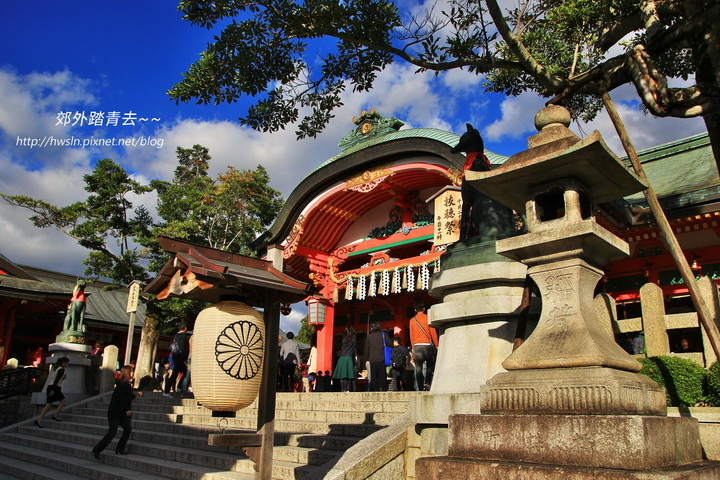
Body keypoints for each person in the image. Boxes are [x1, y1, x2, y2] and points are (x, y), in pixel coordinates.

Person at [92, 365, 142, 458]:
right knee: (112, 432)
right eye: (132, 371)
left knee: (127, 429)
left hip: (122, 412)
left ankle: (120, 448)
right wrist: (125, 411)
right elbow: (121, 400)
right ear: (128, 373)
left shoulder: (125, 384)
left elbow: (127, 398)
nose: (133, 373)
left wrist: (135, 395)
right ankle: (97, 449)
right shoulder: (122, 385)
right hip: (116, 412)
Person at [409, 301, 439, 391]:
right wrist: (437, 344)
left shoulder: (412, 320)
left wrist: (413, 347)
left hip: (417, 345)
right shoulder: (428, 318)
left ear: (415, 310)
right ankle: (427, 382)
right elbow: (432, 332)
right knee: (430, 364)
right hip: (427, 345)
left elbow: (411, 335)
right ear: (424, 309)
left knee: (418, 366)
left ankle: (420, 386)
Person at [35, 357, 69, 428]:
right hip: (55, 387)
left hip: (51, 386)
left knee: (49, 404)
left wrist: (62, 379)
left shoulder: (56, 368)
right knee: (62, 401)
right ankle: (54, 415)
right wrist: (53, 390)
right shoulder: (61, 369)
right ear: (64, 363)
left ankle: (40, 419)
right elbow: (56, 380)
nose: (68, 364)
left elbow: (56, 379)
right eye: (67, 363)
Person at [163, 321, 190, 398]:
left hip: (175, 356)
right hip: (180, 357)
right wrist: (184, 357)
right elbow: (182, 348)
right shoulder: (184, 336)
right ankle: (168, 390)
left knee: (183, 372)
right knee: (177, 374)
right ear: (185, 328)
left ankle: (178, 387)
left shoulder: (176, 335)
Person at [333, 326, 357, 392]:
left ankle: (342, 389)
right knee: (348, 375)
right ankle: (347, 389)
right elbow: (354, 349)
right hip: (348, 357)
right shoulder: (353, 339)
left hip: (342, 357)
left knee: (342, 375)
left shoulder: (344, 339)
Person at [366, 321, 387, 392]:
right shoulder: (383, 335)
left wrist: (367, 359)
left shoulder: (369, 337)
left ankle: (375, 389)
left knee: (374, 375)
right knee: (382, 374)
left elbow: (367, 349)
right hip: (382, 357)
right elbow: (389, 344)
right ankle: (383, 388)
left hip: (372, 358)